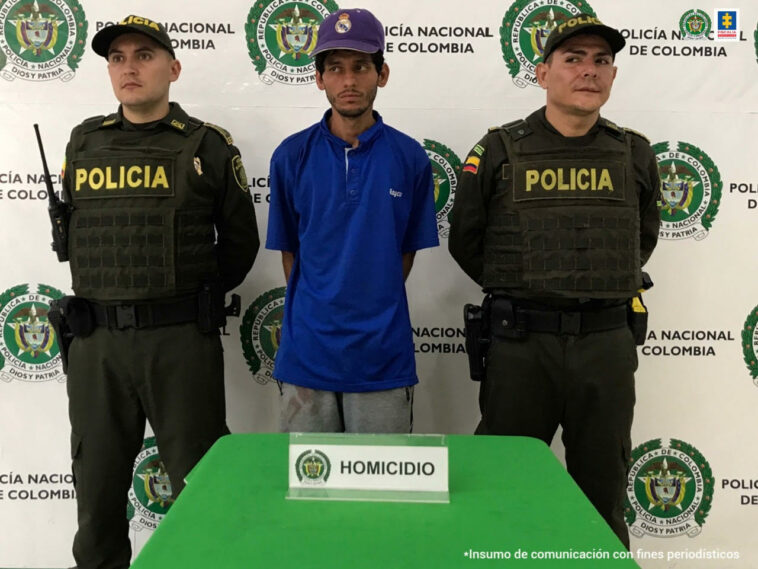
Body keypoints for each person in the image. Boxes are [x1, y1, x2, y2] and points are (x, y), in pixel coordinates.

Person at [449, 16, 660, 547]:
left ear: (612, 74)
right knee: (503, 490)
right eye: (573, 59)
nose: (589, 71)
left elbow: (643, 237)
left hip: (606, 345)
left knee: (602, 495)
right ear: (542, 74)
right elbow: (467, 241)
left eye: (601, 60)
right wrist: (526, 288)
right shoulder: (498, 149)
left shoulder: (634, 152)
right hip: (521, 346)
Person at [57, 15, 259, 569]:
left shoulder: (206, 146)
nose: (129, 67)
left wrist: (188, 298)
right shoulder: (84, 141)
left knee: (201, 491)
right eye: (117, 57)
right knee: (96, 497)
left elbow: (240, 246)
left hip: (178, 343)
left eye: (143, 55)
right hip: (96, 346)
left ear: (172, 67)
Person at [266, 8, 438, 434]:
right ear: (319, 78)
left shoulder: (409, 157)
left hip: (382, 357)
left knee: (380, 498)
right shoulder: (291, 155)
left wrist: (368, 304)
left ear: (382, 73)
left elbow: (404, 253)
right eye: (336, 68)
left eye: (361, 66)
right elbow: (291, 253)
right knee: (308, 496)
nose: (349, 80)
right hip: (308, 357)